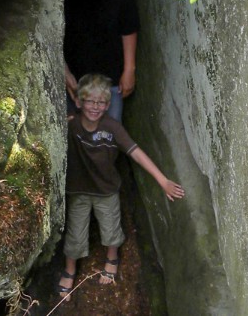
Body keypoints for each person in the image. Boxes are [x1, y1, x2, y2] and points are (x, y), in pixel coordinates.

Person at [57, 74, 185, 301]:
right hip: (78, 190)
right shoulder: (70, 125)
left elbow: (135, 153)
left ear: (108, 105)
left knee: (111, 228)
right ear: (78, 101)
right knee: (75, 232)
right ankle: (69, 270)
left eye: (101, 102)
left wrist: (162, 180)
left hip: (107, 189)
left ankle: (112, 258)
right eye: (89, 101)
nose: (95, 107)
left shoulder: (112, 127)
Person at [63, 0, 139, 122]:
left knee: (110, 133)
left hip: (110, 78)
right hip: (72, 75)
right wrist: (63, 72)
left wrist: (129, 69)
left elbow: (128, 28)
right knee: (74, 134)